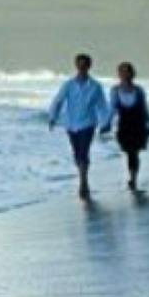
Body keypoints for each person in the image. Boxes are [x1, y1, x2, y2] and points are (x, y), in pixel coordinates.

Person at [47, 53, 111, 199]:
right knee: (77, 154)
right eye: (79, 65)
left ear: (89, 66)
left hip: (88, 123)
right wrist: (52, 117)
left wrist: (105, 123)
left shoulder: (95, 86)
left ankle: (83, 182)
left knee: (84, 152)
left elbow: (102, 106)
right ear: (76, 66)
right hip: (71, 124)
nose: (82, 68)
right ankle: (82, 176)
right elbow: (58, 101)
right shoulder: (68, 85)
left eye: (84, 65)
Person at [109, 61, 149, 192]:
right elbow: (112, 108)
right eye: (122, 72)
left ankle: (133, 178)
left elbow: (144, 108)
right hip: (124, 125)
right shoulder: (115, 91)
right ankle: (133, 176)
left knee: (133, 153)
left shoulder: (139, 90)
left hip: (138, 124)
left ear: (132, 74)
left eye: (127, 71)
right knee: (130, 152)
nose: (124, 74)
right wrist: (106, 123)